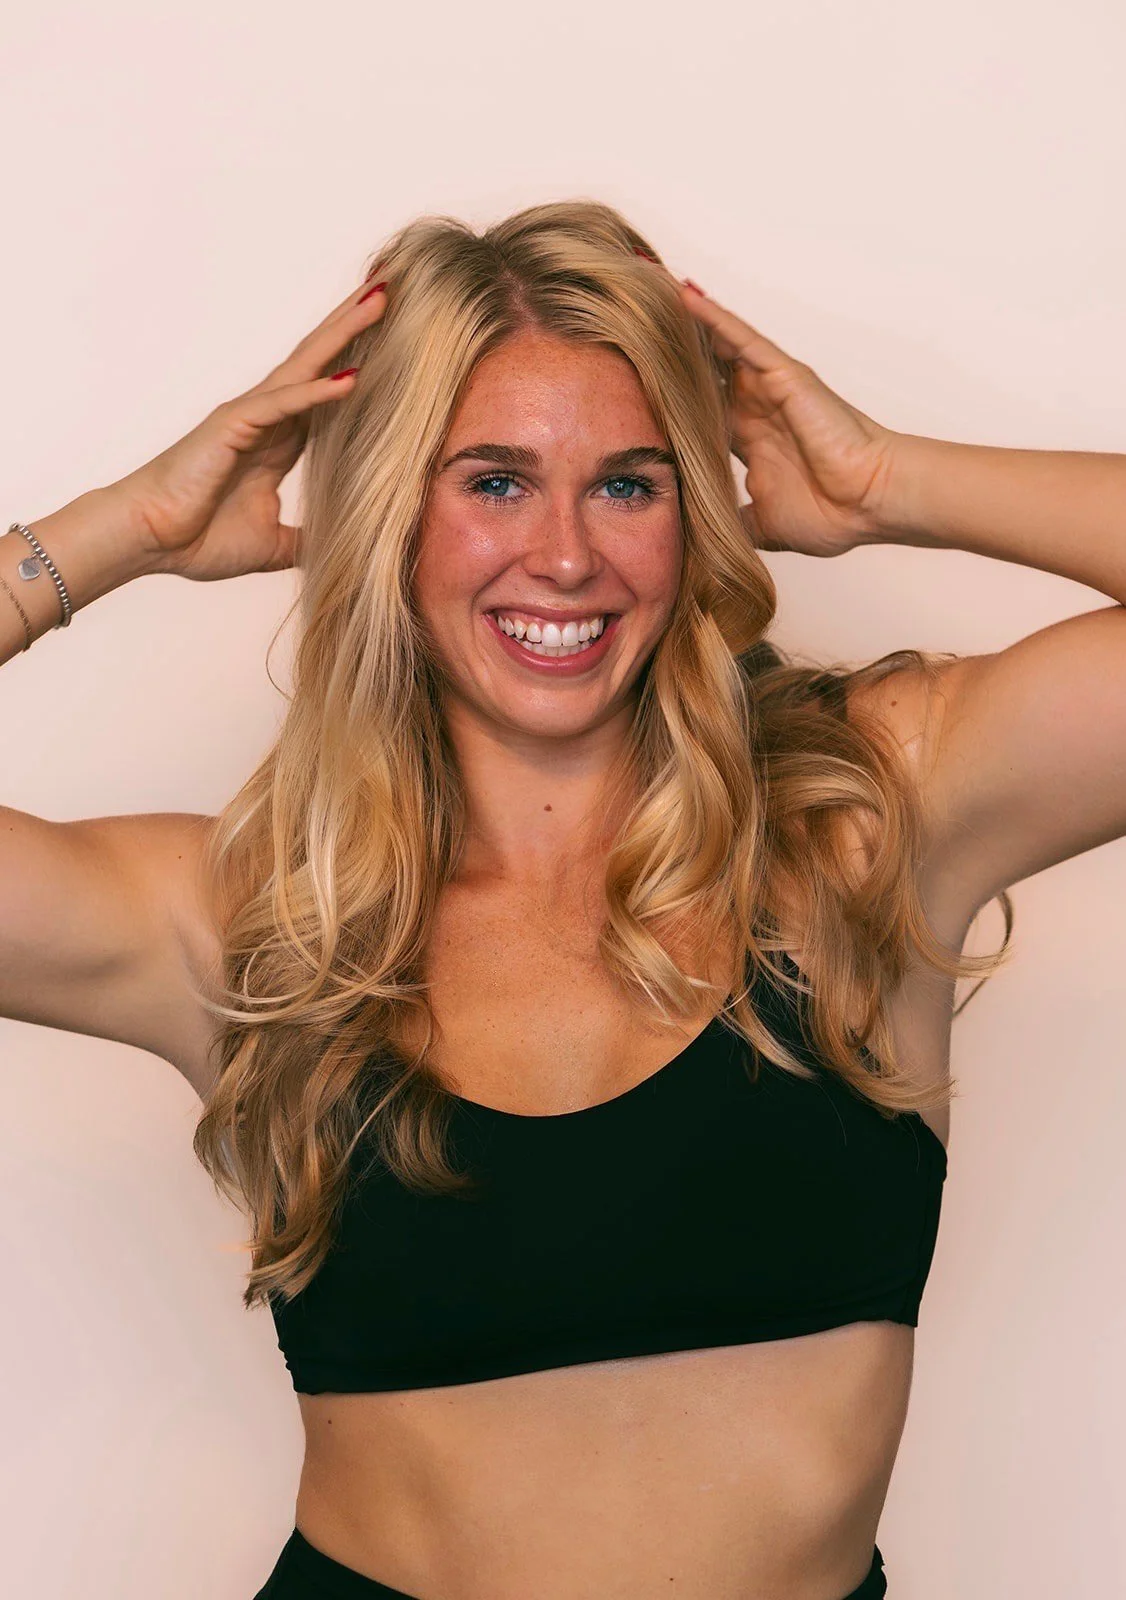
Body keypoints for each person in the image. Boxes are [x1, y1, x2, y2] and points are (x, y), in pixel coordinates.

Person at [1, 199, 1122, 1600]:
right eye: (492, 481)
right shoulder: (244, 921)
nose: (566, 556)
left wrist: (892, 478)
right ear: (390, 515)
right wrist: (119, 531)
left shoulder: (862, 819)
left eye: (628, 484)